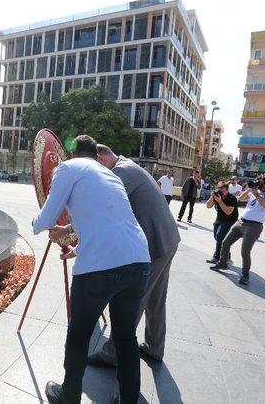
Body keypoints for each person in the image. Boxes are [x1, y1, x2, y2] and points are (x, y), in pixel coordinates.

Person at [32, 135, 150, 404]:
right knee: (125, 337)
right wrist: (73, 234)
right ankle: (129, 399)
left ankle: (69, 396)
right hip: (139, 262)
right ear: (97, 156)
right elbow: (106, 217)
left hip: (99, 270)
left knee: (79, 333)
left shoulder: (68, 168)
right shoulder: (110, 176)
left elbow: (48, 217)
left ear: (73, 154)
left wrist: (35, 225)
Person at [63, 144, 179, 367]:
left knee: (132, 304)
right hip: (166, 238)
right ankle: (155, 347)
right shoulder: (129, 166)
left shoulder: (121, 172)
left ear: (100, 158)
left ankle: (113, 354)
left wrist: (69, 228)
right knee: (155, 299)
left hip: (154, 243)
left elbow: (102, 208)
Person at [209, 175, 265, 285]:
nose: (260, 185)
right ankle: (223, 263)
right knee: (225, 242)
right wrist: (250, 189)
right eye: (259, 182)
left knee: (245, 251)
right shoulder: (254, 191)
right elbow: (240, 198)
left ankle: (245, 274)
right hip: (241, 222)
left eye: (263, 183)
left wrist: (256, 194)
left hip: (254, 226)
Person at [205, 181, 239, 264]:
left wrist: (220, 201)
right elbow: (208, 206)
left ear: (227, 190)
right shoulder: (218, 196)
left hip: (230, 220)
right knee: (217, 237)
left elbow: (228, 212)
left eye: (222, 191)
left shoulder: (232, 198)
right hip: (219, 219)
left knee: (220, 236)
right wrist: (212, 197)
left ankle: (216, 257)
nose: (221, 192)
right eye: (219, 190)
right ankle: (227, 253)